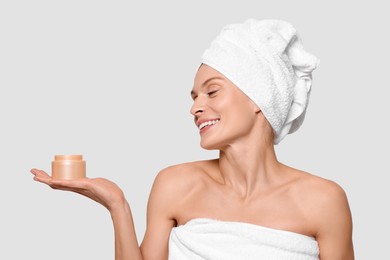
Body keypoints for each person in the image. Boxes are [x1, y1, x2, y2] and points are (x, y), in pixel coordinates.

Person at [31, 19, 354, 260]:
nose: (195, 107)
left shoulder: (323, 200)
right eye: (195, 96)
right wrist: (118, 205)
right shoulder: (175, 184)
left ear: (260, 98)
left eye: (212, 91)